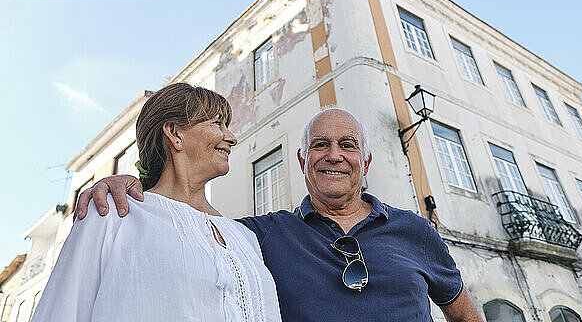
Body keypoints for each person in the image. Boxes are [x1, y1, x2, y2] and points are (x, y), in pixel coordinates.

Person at [75, 107, 483, 321]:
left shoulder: (415, 230)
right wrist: (135, 184)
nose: (334, 155)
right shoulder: (259, 237)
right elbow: (186, 220)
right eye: (321, 145)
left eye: (348, 145)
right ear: (303, 160)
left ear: (367, 160)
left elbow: (464, 315)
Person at [32, 83, 282, 322]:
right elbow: (61, 312)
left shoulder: (244, 237)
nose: (231, 137)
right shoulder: (112, 214)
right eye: (218, 123)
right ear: (174, 133)